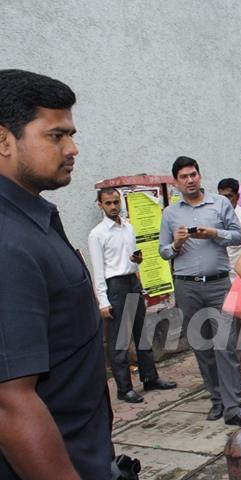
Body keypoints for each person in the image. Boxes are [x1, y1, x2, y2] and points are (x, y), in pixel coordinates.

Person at [0, 69, 113, 478]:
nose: (73, 148)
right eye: (55, 135)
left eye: (71, 134)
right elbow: (11, 404)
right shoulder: (7, 241)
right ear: (4, 139)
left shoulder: (31, 217)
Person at [159, 156, 241, 429]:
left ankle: (234, 407)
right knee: (201, 345)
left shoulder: (220, 203)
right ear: (176, 182)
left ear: (199, 176)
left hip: (218, 284)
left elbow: (238, 236)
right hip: (186, 285)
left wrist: (214, 233)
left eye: (193, 174)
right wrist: (177, 244)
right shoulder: (170, 213)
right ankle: (216, 399)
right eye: (184, 177)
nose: (190, 180)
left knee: (225, 346)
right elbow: (162, 251)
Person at [88, 188, 177, 404]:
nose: (113, 206)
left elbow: (130, 259)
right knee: (120, 339)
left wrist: (137, 260)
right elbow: (98, 269)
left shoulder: (128, 227)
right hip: (115, 285)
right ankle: (124, 389)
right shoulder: (97, 234)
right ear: (100, 205)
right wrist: (103, 300)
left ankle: (150, 377)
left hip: (132, 281)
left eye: (116, 202)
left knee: (141, 333)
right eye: (108, 203)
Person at [217, 178, 241, 282]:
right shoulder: (215, 217)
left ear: (237, 197)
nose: (224, 201)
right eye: (221, 197)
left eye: (229, 196)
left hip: (239, 279)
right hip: (219, 278)